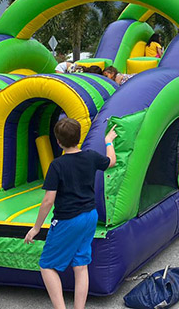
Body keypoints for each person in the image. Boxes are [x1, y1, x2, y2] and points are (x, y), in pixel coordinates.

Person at [24, 119, 118, 309]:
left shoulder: (57, 165)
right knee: (81, 265)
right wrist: (108, 140)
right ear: (79, 137)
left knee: (47, 265)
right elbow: (112, 161)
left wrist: (35, 227)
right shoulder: (91, 156)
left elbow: (48, 201)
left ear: (58, 142)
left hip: (68, 220)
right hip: (90, 216)